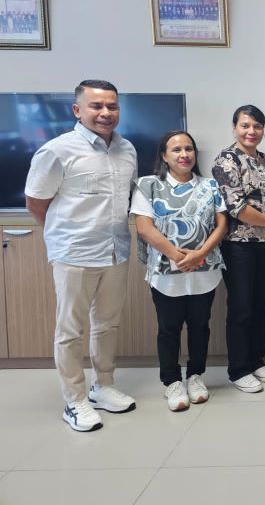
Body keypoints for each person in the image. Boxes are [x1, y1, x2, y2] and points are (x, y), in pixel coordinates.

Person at [24, 79, 137, 432]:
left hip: (116, 250)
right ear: (77, 110)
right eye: (96, 106)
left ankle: (103, 386)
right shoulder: (57, 151)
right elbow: (36, 202)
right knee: (70, 330)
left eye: (112, 106)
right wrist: (64, 236)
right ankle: (74, 401)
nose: (106, 113)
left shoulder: (127, 149)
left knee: (107, 324)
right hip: (74, 254)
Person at [131, 131, 227, 411]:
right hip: (165, 273)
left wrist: (200, 255)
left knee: (200, 326)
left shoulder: (210, 185)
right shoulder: (148, 185)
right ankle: (172, 382)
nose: (184, 154)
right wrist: (178, 256)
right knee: (168, 328)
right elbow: (144, 228)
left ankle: (196, 376)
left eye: (189, 149)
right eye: (176, 150)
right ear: (164, 156)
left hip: (204, 270)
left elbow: (222, 225)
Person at [212, 105, 265, 393]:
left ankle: (256, 361)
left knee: (260, 305)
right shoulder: (226, 160)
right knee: (241, 307)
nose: (251, 131)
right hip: (238, 245)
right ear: (234, 128)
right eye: (245, 125)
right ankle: (238, 369)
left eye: (257, 126)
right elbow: (237, 208)